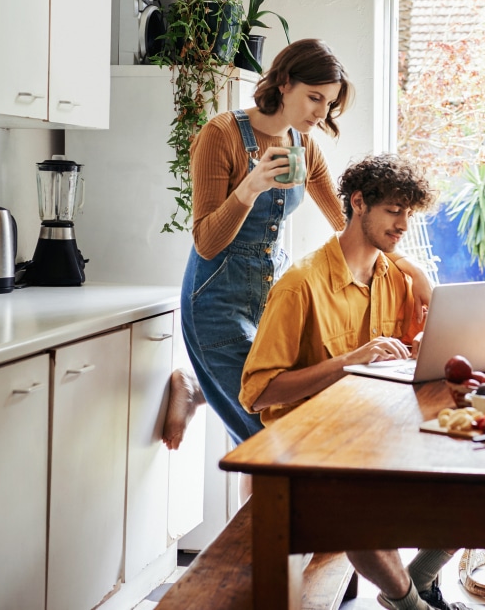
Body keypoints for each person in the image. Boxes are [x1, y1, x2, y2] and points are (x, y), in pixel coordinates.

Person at [170, 39, 433, 449]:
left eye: (328, 104)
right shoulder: (220, 135)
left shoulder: (302, 143)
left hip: (270, 293)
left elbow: (349, 220)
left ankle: (197, 385)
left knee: (285, 416)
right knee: (271, 438)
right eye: (315, 98)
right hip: (216, 300)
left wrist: (410, 269)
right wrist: (251, 187)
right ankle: (196, 382)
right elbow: (206, 242)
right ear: (284, 83)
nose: (320, 113)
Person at [239, 155, 466, 610]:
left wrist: (428, 345)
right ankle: (411, 605)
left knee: (484, 475)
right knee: (355, 508)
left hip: (377, 431)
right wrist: (347, 361)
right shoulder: (299, 285)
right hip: (310, 445)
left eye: (409, 213)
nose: (403, 225)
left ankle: (418, 581)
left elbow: (405, 354)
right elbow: (257, 394)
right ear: (358, 203)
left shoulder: (395, 277)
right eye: (394, 211)